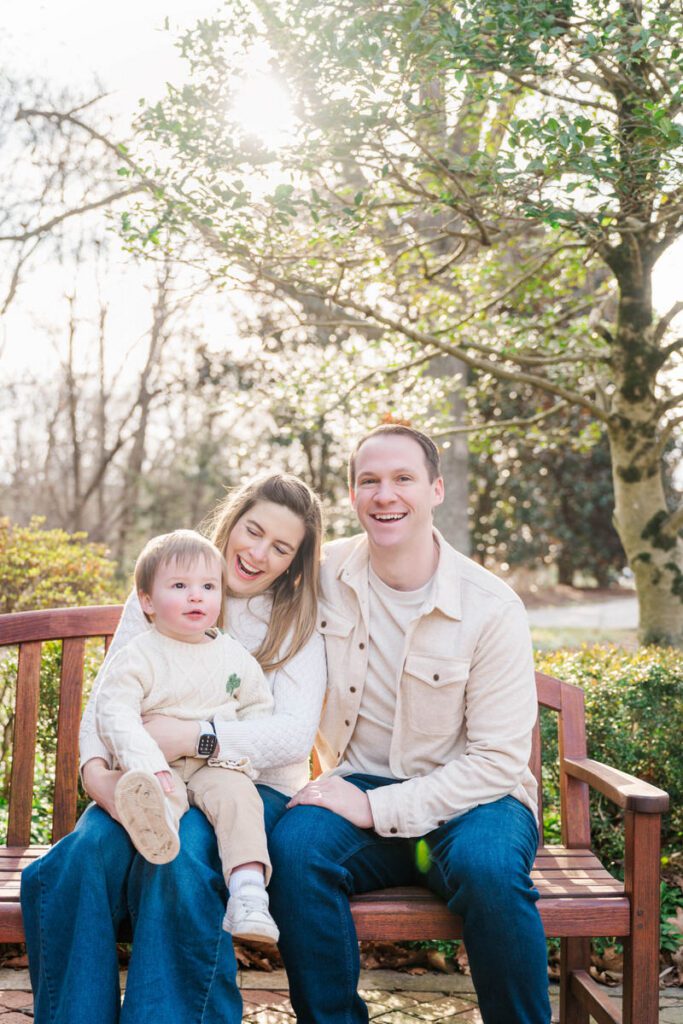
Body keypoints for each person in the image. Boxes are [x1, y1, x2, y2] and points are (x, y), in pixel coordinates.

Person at [267, 424, 552, 1024]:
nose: (384, 494)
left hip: (475, 800)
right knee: (294, 852)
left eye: (403, 478)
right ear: (351, 497)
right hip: (357, 788)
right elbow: (228, 594)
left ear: (436, 489)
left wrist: (380, 810)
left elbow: (500, 762)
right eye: (368, 481)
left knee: (491, 872)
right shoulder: (321, 576)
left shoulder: (491, 606)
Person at [20, 473, 326, 1024]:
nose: (258, 553)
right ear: (231, 521)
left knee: (179, 856)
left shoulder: (297, 620)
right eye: (252, 531)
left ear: (296, 561)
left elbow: (291, 737)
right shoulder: (168, 581)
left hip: (246, 789)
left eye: (280, 547)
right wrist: (97, 778)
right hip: (150, 777)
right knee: (80, 856)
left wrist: (195, 736)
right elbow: (108, 700)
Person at [96, 529, 279, 943]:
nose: (197, 596)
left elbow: (257, 710)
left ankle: (249, 893)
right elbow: (116, 714)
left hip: (215, 763)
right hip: (159, 764)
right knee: (157, 798)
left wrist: (236, 753)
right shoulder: (139, 655)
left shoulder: (232, 655)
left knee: (239, 799)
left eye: (208, 587)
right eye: (180, 586)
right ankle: (159, 834)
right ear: (147, 601)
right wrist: (149, 765)